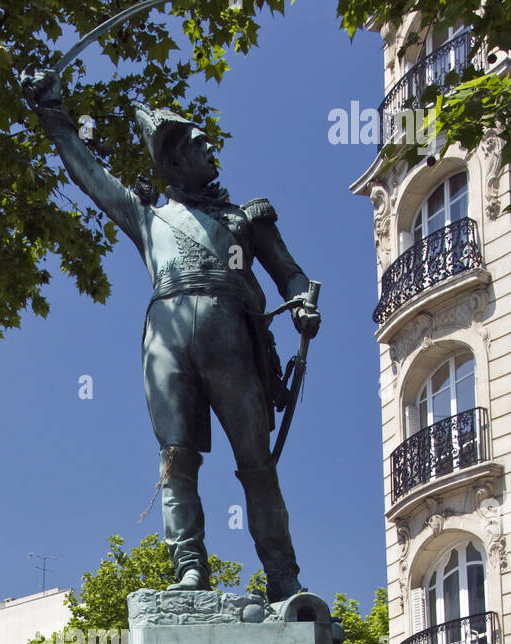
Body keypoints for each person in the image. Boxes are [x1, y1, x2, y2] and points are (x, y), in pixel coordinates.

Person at [22, 70, 321, 600]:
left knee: (257, 460)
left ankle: (283, 576)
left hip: (233, 335)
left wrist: (302, 300)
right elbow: (87, 171)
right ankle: (190, 569)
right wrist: (52, 111)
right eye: (200, 144)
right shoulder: (147, 217)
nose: (213, 151)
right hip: (166, 340)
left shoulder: (245, 216)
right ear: (177, 157)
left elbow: (290, 272)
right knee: (176, 458)